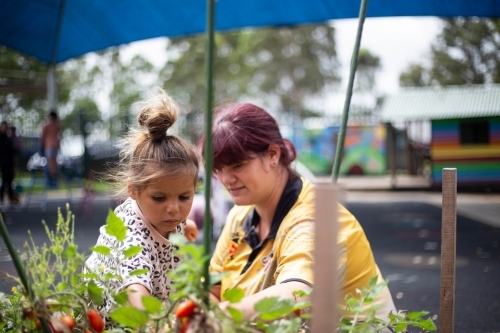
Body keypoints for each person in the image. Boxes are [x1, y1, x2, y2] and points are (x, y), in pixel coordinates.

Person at [206, 103, 396, 321]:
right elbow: (213, 289)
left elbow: (298, 293)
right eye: (218, 169)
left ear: (273, 155)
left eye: (237, 166)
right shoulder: (240, 216)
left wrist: (219, 317)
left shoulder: (314, 218)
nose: (226, 179)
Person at [85, 91, 200, 326]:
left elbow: (179, 218)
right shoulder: (132, 239)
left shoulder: (164, 215)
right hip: (114, 324)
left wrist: (187, 226)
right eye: (159, 198)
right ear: (133, 191)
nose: (173, 209)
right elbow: (136, 290)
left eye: (185, 197)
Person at [40, 110, 61, 187]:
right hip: (54, 145)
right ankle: (54, 175)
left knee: (51, 161)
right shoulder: (56, 125)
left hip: (49, 145)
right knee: (54, 160)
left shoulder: (47, 125)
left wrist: (41, 145)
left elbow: (42, 136)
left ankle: (52, 176)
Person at [0, 121, 16, 207]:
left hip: (9, 163)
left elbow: (12, 152)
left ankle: (10, 199)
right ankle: (1, 199)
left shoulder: (8, 139)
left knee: (10, 182)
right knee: (4, 181)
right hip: (3, 163)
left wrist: (14, 164)